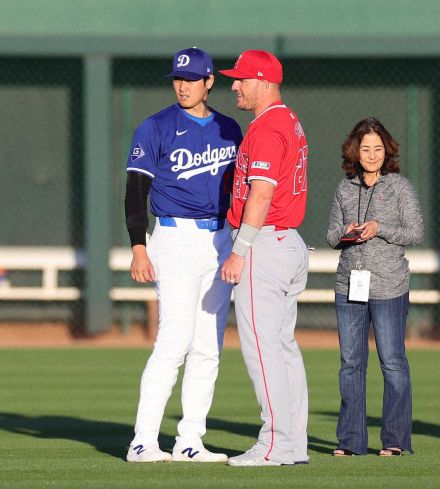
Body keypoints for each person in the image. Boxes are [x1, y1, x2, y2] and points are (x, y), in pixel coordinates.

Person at [124, 47, 242, 463]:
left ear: (210, 82)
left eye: (192, 79)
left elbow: (242, 193)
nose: (183, 85)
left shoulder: (230, 129)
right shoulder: (155, 127)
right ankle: (143, 441)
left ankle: (190, 440)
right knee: (174, 340)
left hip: (219, 240)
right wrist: (139, 245)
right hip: (172, 238)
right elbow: (136, 191)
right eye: (178, 77)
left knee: (208, 346)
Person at [218, 50, 310, 466]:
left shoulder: (270, 126)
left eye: (241, 79)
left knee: (263, 350)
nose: (234, 85)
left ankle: (274, 444)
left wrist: (240, 250)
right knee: (283, 347)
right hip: (285, 241)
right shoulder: (285, 120)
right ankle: (292, 445)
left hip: (264, 245)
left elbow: (261, 192)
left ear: (264, 82)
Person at [327, 117, 424, 457]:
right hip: (348, 284)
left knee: (392, 361)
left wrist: (380, 228)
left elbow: (415, 232)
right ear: (355, 151)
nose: (371, 155)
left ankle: (395, 440)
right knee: (351, 363)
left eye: (377, 149)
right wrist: (346, 232)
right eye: (365, 148)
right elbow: (330, 235)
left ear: (387, 151)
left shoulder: (400, 188)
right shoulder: (344, 187)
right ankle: (351, 442)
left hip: (389, 286)